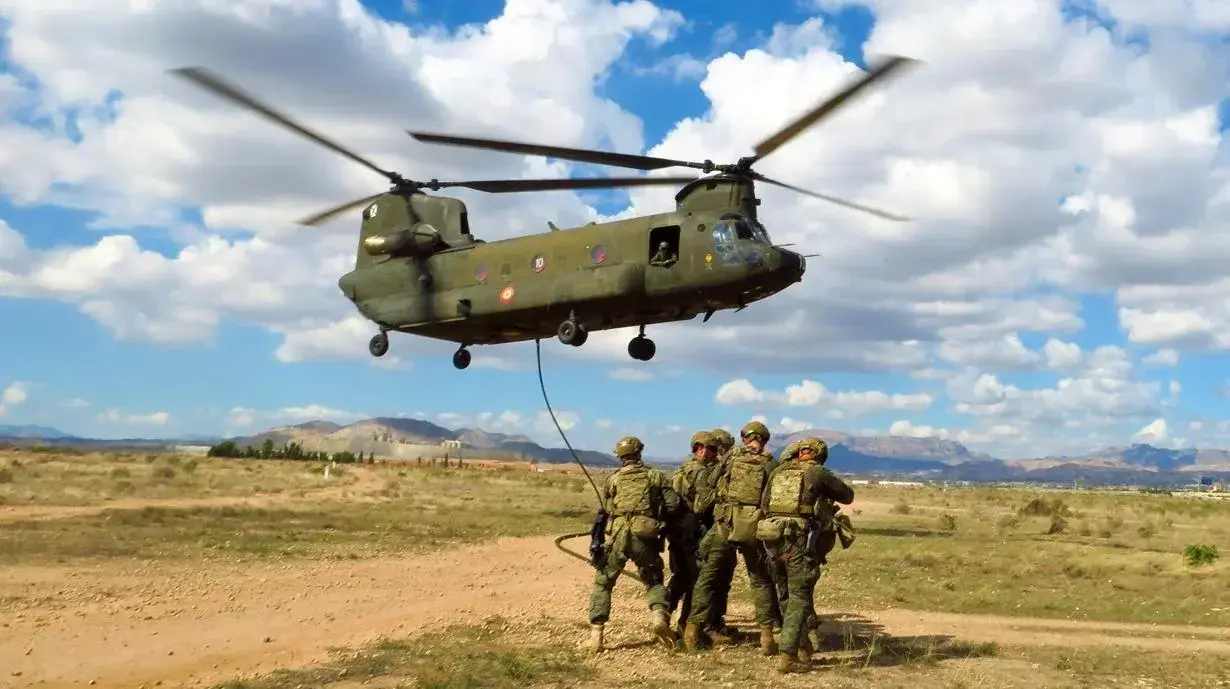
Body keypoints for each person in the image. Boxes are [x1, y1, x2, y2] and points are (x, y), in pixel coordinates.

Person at [757, 436, 854, 673]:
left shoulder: (778, 472)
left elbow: (765, 504)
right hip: (798, 541)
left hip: (771, 538)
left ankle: (801, 647)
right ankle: (788, 655)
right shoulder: (816, 472)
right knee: (800, 596)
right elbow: (847, 496)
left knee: (785, 593)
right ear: (819, 454)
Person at [684, 421, 779, 655]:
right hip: (753, 527)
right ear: (764, 440)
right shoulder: (770, 462)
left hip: (725, 524)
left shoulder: (731, 457)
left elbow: (711, 482)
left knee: (707, 576)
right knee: (760, 580)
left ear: (745, 438)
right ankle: (767, 636)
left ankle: (691, 632)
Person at [584, 435, 684, 654]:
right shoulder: (655, 475)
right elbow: (674, 504)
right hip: (645, 535)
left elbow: (607, 509)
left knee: (603, 583)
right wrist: (658, 520)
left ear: (620, 456)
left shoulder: (613, 479)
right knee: (654, 582)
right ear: (639, 453)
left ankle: (596, 637)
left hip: (618, 534)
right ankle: (659, 618)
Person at [666, 431, 719, 637]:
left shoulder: (681, 470)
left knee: (679, 576)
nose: (708, 452)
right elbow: (701, 507)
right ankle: (686, 625)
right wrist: (719, 494)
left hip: (676, 530)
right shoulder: (701, 472)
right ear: (698, 449)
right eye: (704, 448)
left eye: (712, 449)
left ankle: (663, 615)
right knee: (697, 580)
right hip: (693, 531)